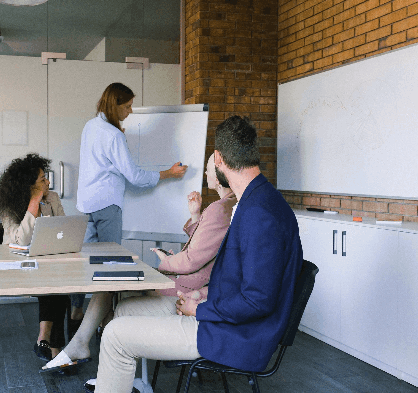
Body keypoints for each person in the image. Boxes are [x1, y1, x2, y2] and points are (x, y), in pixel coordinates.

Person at [84, 115, 303, 393]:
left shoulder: (258, 212)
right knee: (125, 310)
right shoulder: (258, 200)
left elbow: (258, 301)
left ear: (218, 158)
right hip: (223, 316)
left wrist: (200, 308)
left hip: (235, 334)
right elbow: (247, 283)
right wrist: (203, 295)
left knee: (115, 335)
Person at [42, 153, 237, 372]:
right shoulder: (225, 206)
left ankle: (94, 354)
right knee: (111, 288)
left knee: (111, 287)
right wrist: (195, 216)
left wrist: (165, 262)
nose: (205, 172)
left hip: (183, 287)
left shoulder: (219, 209)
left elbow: (192, 259)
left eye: (209, 168)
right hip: (188, 281)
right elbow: (204, 247)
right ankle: (95, 356)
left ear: (218, 177)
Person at [71, 82, 188, 332]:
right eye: (128, 106)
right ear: (115, 106)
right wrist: (168, 173)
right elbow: (135, 176)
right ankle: (104, 322)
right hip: (106, 206)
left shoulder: (90, 126)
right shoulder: (113, 136)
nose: (131, 111)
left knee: (85, 264)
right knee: (108, 267)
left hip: (85, 204)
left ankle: (76, 312)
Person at [0, 153, 83, 360]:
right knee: (54, 285)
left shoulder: (52, 198)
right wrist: (34, 201)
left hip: (46, 261)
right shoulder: (8, 204)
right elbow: (20, 240)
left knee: (57, 284)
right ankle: (53, 347)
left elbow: (63, 228)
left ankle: (46, 342)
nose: (48, 183)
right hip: (18, 265)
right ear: (29, 185)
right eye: (42, 179)